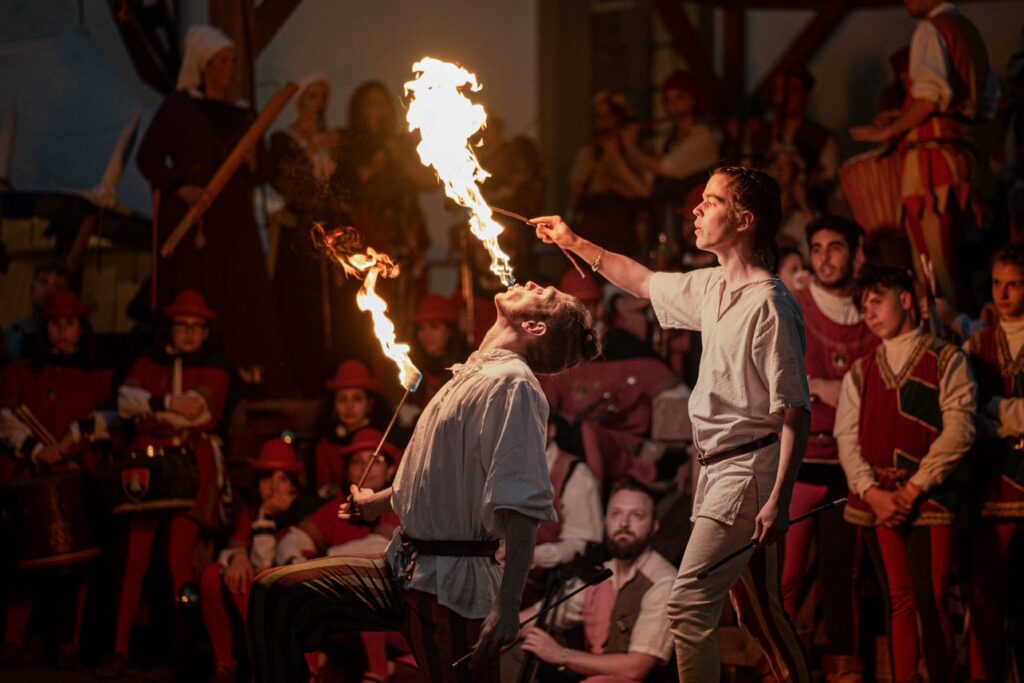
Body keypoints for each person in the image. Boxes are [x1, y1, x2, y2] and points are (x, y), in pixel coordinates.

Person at [533, 165, 811, 682]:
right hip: (716, 469)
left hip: (746, 473)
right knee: (760, 615)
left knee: (686, 608)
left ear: (745, 220)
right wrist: (572, 240)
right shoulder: (712, 285)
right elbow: (640, 281)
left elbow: (796, 410)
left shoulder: (770, 304)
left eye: (713, 201)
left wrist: (779, 497)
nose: (698, 209)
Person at [246, 282, 601, 681]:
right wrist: (376, 503)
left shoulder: (512, 385)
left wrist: (507, 606)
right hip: (401, 567)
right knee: (276, 598)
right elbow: (436, 476)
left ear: (535, 327)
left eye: (545, 294)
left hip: (453, 586)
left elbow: (521, 505)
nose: (534, 284)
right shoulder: (474, 372)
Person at [834, 265, 975, 683]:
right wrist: (871, 491)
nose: (870, 313)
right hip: (881, 499)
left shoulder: (946, 358)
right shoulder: (861, 370)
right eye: (864, 306)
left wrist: (914, 488)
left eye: (878, 302)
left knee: (932, 599)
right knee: (899, 600)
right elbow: (847, 436)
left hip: (930, 497)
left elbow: (960, 429)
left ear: (907, 300)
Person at [135, 24, 293, 395]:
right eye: (222, 61)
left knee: (242, 294)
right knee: (201, 290)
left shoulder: (244, 114)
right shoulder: (180, 106)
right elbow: (149, 157)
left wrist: (253, 160)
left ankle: (248, 378)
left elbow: (262, 174)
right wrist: (181, 187)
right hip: (196, 222)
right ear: (204, 65)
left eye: (233, 61)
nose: (230, 69)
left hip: (235, 221)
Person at [97, 288, 233, 678]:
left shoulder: (216, 369)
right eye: (181, 325)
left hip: (192, 469)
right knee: (134, 561)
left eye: (195, 327)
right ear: (169, 329)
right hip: (145, 470)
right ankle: (120, 649)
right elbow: (125, 403)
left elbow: (199, 412)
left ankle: (181, 655)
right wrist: (167, 404)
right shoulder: (146, 363)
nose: (188, 333)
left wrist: (150, 407)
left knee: (178, 562)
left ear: (205, 332)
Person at [850, 0, 997, 310]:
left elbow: (930, 99)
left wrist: (890, 132)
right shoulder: (968, 31)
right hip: (961, 160)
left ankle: (950, 332)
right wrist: (906, 118)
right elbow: (982, 104)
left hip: (933, 165)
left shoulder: (931, 29)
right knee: (959, 263)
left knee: (935, 267)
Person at [0, 289, 113, 667]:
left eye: (70, 324)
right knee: (24, 556)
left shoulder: (98, 377)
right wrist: (36, 450)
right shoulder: (20, 372)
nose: (62, 331)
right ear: (43, 328)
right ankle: (13, 639)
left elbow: (107, 421)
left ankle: (71, 643)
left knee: (81, 562)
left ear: (82, 328)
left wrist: (70, 446)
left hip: (78, 478)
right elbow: (5, 419)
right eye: (55, 324)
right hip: (30, 476)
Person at [785, 217, 877, 681]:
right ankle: (780, 670)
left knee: (844, 579)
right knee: (785, 579)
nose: (824, 258)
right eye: (817, 248)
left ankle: (845, 674)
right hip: (799, 462)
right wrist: (818, 386)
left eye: (836, 247)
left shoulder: (873, 311)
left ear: (857, 256)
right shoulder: (793, 305)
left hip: (852, 466)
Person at [505, 479, 676, 682]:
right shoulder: (602, 574)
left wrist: (561, 655)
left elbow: (636, 667)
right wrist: (499, 630)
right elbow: (541, 613)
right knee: (519, 643)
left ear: (654, 526)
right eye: (616, 514)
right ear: (605, 521)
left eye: (637, 515)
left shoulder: (663, 581)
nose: (623, 524)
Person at [199, 437, 319, 682]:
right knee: (214, 575)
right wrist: (239, 556)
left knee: (262, 583)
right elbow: (237, 545)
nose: (273, 488)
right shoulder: (252, 512)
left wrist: (265, 519)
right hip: (262, 606)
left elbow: (269, 565)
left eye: (282, 479)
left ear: (294, 485)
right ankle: (225, 666)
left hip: (297, 607)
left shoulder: (307, 512)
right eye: (266, 479)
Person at [268, 72, 351, 397]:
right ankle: (303, 381)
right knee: (301, 307)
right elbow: (284, 182)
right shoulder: (284, 140)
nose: (319, 103)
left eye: (323, 96)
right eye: (312, 95)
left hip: (331, 234)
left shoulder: (333, 140)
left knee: (335, 308)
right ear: (301, 101)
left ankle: (332, 377)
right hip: (299, 238)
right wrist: (313, 148)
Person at [963, 245, 1024, 681]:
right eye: (997, 284)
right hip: (989, 487)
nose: (1002, 294)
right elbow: (966, 416)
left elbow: (985, 412)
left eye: (1014, 285)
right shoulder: (976, 344)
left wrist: (995, 413)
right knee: (985, 602)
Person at [568, 90, 649, 257]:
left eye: (609, 116)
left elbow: (641, 191)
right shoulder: (590, 150)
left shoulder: (635, 152)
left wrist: (612, 177)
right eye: (600, 117)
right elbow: (577, 188)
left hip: (624, 226)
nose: (605, 122)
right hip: (594, 224)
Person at [313, 360, 391, 498]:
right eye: (343, 399)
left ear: (369, 404)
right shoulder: (326, 445)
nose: (349, 407)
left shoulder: (386, 437)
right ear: (334, 405)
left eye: (357, 399)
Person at [407, 294, 469, 413]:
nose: (427, 334)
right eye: (421, 328)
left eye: (434, 326)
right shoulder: (413, 365)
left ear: (449, 331)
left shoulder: (467, 366)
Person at [0, 261, 69, 365]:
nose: (50, 290)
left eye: (57, 286)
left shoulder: (73, 337)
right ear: (32, 290)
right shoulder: (11, 335)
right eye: (43, 282)